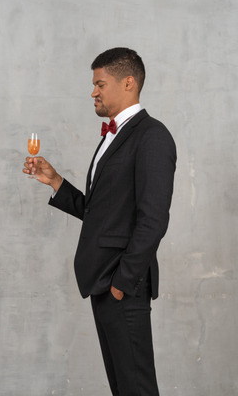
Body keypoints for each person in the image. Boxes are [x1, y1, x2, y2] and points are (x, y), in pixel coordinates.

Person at [23, 47, 176, 396]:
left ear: (128, 82)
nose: (93, 91)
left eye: (99, 84)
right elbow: (101, 212)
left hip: (122, 283)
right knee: (123, 387)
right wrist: (55, 181)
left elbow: (153, 219)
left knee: (136, 387)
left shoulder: (152, 137)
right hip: (102, 282)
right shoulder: (112, 136)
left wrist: (122, 281)